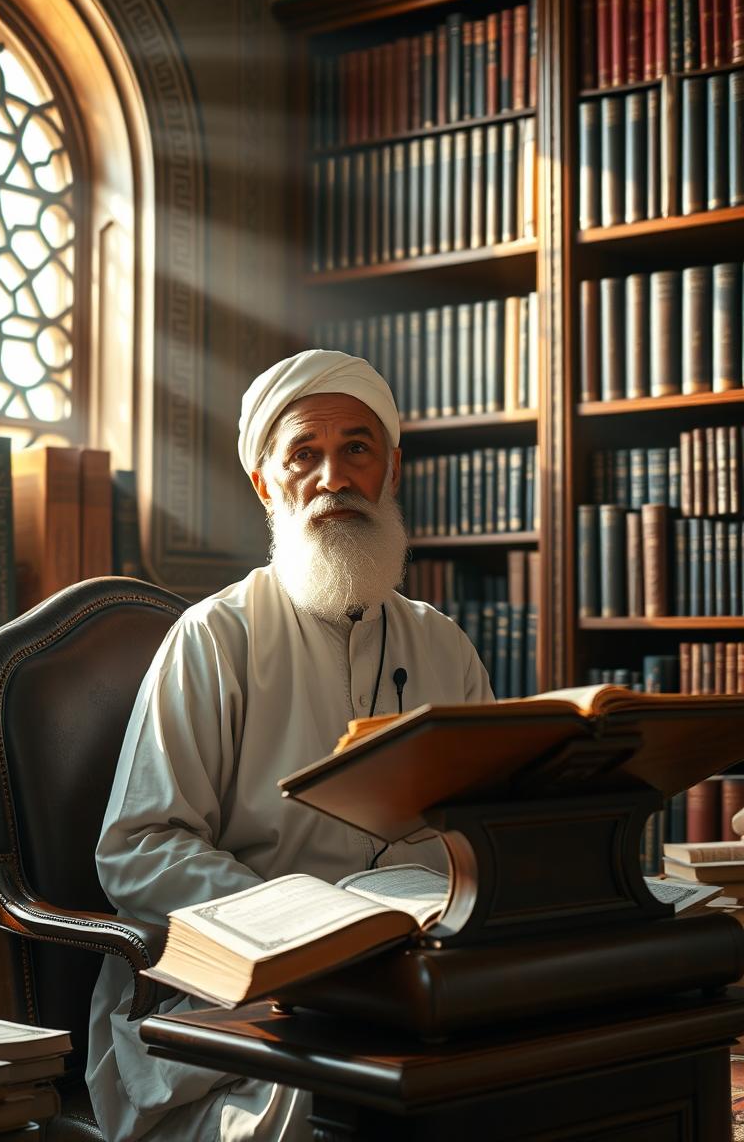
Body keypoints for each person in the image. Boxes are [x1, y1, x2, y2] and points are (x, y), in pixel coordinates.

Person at [87, 349, 493, 1142]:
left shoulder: (444, 645)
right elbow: (138, 848)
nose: (333, 477)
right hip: (242, 1004)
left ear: (391, 471)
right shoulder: (217, 636)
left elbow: (488, 825)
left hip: (417, 988)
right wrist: (307, 925)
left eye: (357, 449)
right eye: (304, 454)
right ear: (266, 483)